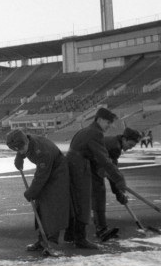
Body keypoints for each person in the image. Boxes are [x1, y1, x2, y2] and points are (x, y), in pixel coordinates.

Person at [66, 107, 126, 249]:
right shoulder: (95, 133)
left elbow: (95, 156)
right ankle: (80, 239)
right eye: (108, 122)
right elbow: (104, 159)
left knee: (75, 202)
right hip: (79, 168)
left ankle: (71, 235)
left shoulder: (85, 130)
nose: (110, 126)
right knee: (83, 203)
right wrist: (119, 178)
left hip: (74, 166)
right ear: (99, 120)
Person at [8, 129, 69, 252]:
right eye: (16, 150)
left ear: (26, 143)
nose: (20, 151)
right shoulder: (27, 140)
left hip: (58, 174)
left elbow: (41, 177)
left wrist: (31, 192)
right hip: (46, 171)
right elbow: (22, 148)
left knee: (52, 206)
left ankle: (52, 243)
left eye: (20, 149)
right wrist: (19, 157)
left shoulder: (42, 152)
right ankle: (42, 241)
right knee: (40, 204)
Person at [91, 127, 142, 241]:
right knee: (98, 196)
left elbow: (112, 170)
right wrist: (118, 193)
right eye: (130, 145)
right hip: (88, 168)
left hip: (94, 168)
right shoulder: (114, 147)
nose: (129, 148)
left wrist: (118, 190)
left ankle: (101, 229)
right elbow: (112, 172)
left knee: (98, 197)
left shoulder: (114, 143)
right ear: (124, 139)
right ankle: (101, 230)